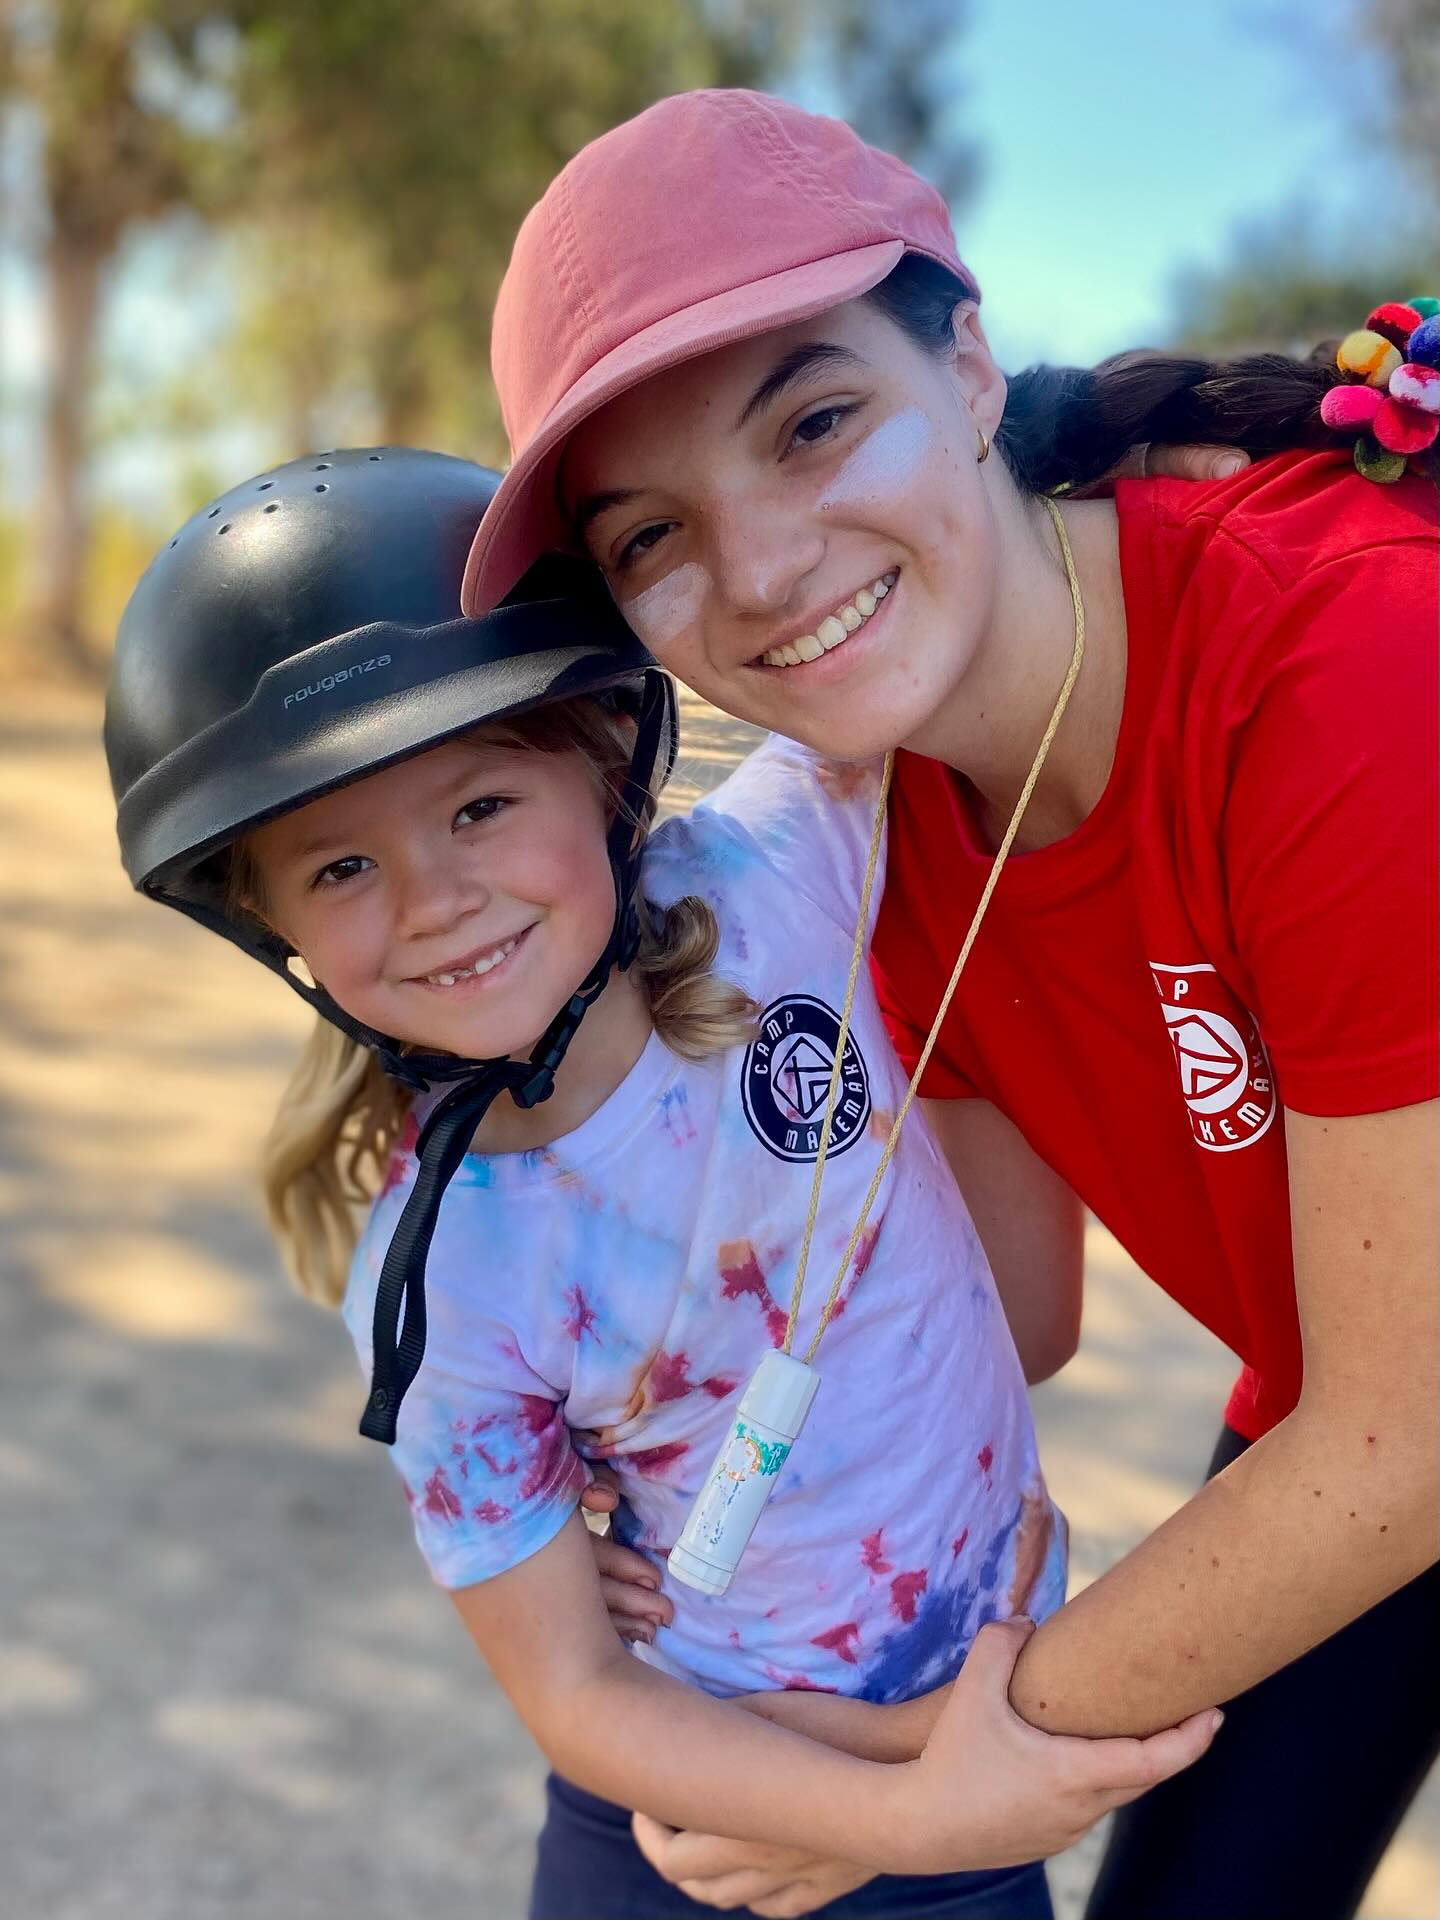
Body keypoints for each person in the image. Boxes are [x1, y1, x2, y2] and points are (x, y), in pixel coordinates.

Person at [458, 89, 1440, 1920]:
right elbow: (1010, 1306)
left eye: (815, 423)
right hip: (1359, 1412)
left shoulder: (1349, 663)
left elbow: (1411, 1439)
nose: (761, 571)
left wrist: (926, 1778)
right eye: (652, 536)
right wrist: (625, 1422)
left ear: (969, 366)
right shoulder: (878, 821)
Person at [105, 447, 1221, 1920]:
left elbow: (938, 630)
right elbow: (574, 1688)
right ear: (273, 927)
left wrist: (1126, 438)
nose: (435, 900)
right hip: (701, 1821)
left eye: (479, 807)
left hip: (948, 1782)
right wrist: (912, 1816)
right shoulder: (439, 1291)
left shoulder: (772, 875)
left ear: (603, 760)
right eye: (339, 870)